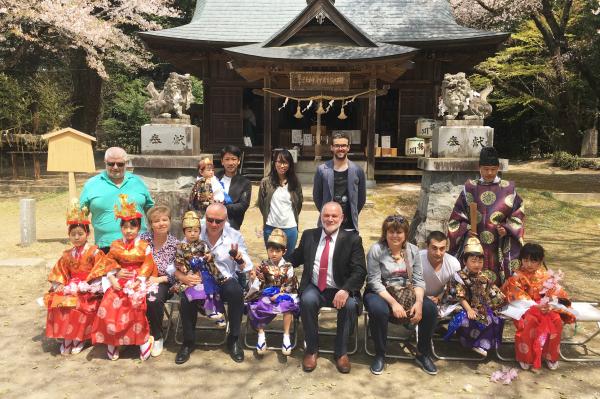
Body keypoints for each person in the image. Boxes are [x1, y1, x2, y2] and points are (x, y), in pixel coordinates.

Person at [289, 202, 366, 374]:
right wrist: (275, 260)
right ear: (321, 217)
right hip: (316, 287)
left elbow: (360, 271)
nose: (330, 219)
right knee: (307, 300)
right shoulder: (310, 236)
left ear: (342, 218)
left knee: (350, 305)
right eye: (326, 215)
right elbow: (296, 258)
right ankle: (312, 349)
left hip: (341, 289)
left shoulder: (353, 239)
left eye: (334, 216)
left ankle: (341, 352)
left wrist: (346, 290)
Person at [175, 203, 253, 364]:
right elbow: (177, 258)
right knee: (186, 298)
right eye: (210, 220)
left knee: (236, 292)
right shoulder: (194, 229)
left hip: (223, 278)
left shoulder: (234, 235)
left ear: (226, 220)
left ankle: (234, 339)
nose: (214, 224)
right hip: (199, 279)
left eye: (219, 221)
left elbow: (247, 265)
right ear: (205, 218)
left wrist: (238, 258)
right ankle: (188, 342)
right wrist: (182, 277)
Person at [364, 215, 439, 375]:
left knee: (430, 309)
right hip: (380, 291)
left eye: (399, 232)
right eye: (391, 232)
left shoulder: (412, 250)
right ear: (385, 233)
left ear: (405, 234)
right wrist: (393, 303)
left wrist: (419, 302)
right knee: (379, 310)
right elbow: (374, 281)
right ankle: (380, 353)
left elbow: (418, 279)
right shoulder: (376, 250)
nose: (395, 236)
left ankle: (422, 353)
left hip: (406, 291)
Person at [91, 194, 157, 361]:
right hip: (119, 279)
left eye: (132, 227)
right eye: (125, 227)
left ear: (138, 228)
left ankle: (142, 340)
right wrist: (113, 277)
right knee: (110, 302)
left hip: (137, 280)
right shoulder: (115, 245)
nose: (129, 231)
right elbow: (109, 261)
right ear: (121, 228)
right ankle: (113, 341)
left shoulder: (144, 246)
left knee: (135, 305)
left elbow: (148, 264)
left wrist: (139, 280)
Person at [448, 146, 525, 286]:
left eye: (493, 169)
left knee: (499, 279)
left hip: (499, 244)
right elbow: (456, 217)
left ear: (498, 168)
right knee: (473, 275)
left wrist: (507, 229)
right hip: (474, 241)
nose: (489, 173)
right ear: (479, 168)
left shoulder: (508, 189)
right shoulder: (470, 188)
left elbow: (517, 215)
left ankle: (499, 297)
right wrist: (466, 229)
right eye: (485, 169)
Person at [44, 201, 110, 355]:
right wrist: (59, 285)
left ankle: (80, 338)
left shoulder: (95, 252)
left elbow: (100, 270)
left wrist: (89, 285)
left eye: (80, 234)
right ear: (69, 236)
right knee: (57, 300)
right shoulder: (67, 254)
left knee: (80, 305)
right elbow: (59, 271)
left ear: (88, 234)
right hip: (71, 285)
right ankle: (67, 337)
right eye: (73, 234)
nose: (77, 237)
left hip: (89, 287)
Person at [501, 243, 575, 371]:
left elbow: (558, 294)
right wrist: (536, 306)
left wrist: (550, 305)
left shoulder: (546, 276)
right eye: (525, 260)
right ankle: (526, 357)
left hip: (546, 308)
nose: (529, 264)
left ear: (540, 261)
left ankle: (550, 356)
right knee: (530, 321)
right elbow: (517, 296)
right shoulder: (516, 276)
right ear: (521, 260)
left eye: (533, 261)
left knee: (556, 320)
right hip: (525, 309)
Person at [80, 147, 154, 253]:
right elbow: (80, 215)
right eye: (111, 163)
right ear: (105, 163)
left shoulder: (138, 182)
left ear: (126, 163)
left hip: (138, 244)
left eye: (120, 164)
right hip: (105, 246)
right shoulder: (91, 184)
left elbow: (151, 210)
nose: (115, 167)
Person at [443, 237, 506, 357]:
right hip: (460, 306)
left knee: (496, 318)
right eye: (473, 261)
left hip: (480, 306)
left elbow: (492, 291)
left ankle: (483, 344)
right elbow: (460, 296)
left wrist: (503, 302)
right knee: (472, 319)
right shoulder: (459, 276)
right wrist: (469, 309)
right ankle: (473, 343)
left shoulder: (483, 276)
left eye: (480, 262)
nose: (477, 265)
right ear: (465, 261)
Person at [246, 228, 299, 356]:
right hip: (266, 293)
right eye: (271, 250)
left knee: (288, 306)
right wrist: (253, 278)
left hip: (282, 294)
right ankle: (261, 333)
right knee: (256, 304)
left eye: (277, 250)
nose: (274, 253)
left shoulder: (288, 267)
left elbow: (291, 285)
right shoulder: (263, 265)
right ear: (267, 251)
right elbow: (259, 283)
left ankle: (286, 335)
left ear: (284, 251)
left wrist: (281, 294)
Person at [174, 211, 226, 329]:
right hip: (188, 275)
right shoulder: (180, 247)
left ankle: (214, 309)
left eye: (196, 231)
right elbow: (178, 261)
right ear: (184, 232)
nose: (192, 234)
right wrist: (182, 267)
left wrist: (208, 256)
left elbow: (209, 254)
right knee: (193, 290)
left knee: (210, 284)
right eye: (189, 231)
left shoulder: (203, 244)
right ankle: (206, 309)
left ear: (199, 232)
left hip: (203, 271)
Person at [140, 205, 178, 357]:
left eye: (164, 219)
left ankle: (157, 336)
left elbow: (179, 272)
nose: (161, 223)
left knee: (153, 299)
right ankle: (132, 335)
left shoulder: (176, 244)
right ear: (150, 224)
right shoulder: (143, 240)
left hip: (164, 282)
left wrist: (159, 279)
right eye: (156, 221)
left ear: (170, 221)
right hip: (142, 279)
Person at [313, 131, 366, 232]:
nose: (340, 149)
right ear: (332, 147)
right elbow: (317, 197)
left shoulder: (357, 170)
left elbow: (361, 199)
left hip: (349, 223)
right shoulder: (322, 170)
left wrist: (353, 212)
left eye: (343, 145)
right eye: (337, 146)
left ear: (348, 148)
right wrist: (328, 215)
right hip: (329, 223)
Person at [257, 148, 303, 259]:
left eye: (285, 162)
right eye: (279, 162)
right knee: (273, 260)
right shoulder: (266, 182)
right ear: (274, 163)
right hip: (271, 227)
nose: (282, 166)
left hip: (290, 227)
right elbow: (262, 204)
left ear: (290, 164)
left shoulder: (295, 182)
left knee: (288, 260)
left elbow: (298, 204)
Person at [216, 145, 251, 230]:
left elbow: (243, 206)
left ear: (238, 161)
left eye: (234, 159)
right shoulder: (214, 178)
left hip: (232, 227)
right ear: (222, 161)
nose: (230, 163)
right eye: (227, 159)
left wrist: (221, 207)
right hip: (213, 225)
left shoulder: (245, 182)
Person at [420, 231, 461, 305]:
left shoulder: (453, 264)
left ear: (446, 248)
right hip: (417, 297)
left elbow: (454, 287)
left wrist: (439, 297)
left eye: (442, 248)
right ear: (427, 246)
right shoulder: (416, 259)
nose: (438, 253)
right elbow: (409, 283)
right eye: (434, 248)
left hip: (441, 300)